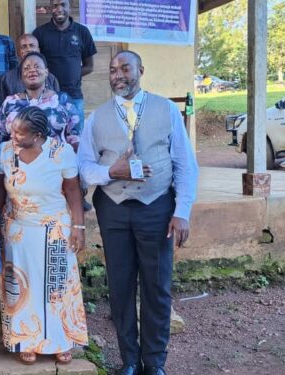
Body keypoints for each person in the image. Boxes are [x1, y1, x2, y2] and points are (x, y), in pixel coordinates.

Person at [77, 51, 199, 375]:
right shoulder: (97, 117)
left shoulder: (167, 110)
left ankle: (154, 363)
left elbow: (185, 163)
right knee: (120, 286)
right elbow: (85, 167)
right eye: (113, 70)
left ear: (140, 71)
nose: (118, 75)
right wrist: (110, 173)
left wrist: (182, 210)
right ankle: (129, 360)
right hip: (113, 210)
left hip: (157, 207)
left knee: (156, 286)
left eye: (125, 68)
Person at [0, 106, 88, 365]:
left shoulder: (60, 153)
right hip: (18, 228)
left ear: (37, 135)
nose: (13, 136)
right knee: (23, 287)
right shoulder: (4, 152)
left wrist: (78, 227)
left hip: (54, 227)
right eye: (12, 130)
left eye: (20, 133)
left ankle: (61, 341)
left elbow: (72, 191)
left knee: (57, 287)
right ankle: (26, 340)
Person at [0, 52, 81, 148]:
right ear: (21, 75)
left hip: (57, 160)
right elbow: (1, 138)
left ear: (46, 72)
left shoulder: (63, 100)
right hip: (18, 160)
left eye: (37, 67)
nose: (32, 70)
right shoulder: (9, 103)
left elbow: (75, 137)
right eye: (26, 68)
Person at [33, 0, 96, 123]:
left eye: (63, 4)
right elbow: (35, 64)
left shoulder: (82, 32)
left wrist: (72, 75)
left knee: (75, 138)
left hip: (74, 96)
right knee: (49, 137)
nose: (59, 9)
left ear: (70, 7)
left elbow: (89, 66)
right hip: (47, 96)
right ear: (51, 8)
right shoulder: (40, 33)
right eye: (55, 6)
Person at [0, 33, 60, 111]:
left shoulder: (50, 78)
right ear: (18, 52)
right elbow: (0, 110)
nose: (28, 49)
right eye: (24, 47)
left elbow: (58, 104)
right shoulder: (6, 79)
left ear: (38, 50)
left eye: (32, 45)